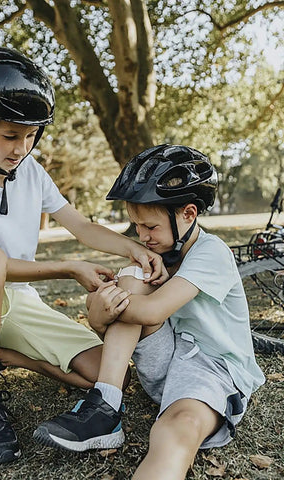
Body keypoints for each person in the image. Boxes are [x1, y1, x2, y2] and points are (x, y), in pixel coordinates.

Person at [0, 46, 166, 466]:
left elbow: (80, 225)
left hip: (19, 305)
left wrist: (132, 247)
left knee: (111, 372)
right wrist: (69, 266)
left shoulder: (32, 171)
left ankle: (1, 356)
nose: (22, 148)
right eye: (10, 135)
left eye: (31, 135)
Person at [33, 144, 265, 480]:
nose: (142, 236)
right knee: (133, 276)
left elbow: (153, 309)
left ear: (188, 213)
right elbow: (126, 320)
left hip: (213, 370)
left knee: (176, 430)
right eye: (136, 226)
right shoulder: (156, 255)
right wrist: (100, 310)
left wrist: (98, 306)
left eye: (151, 227)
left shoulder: (211, 251)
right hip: (167, 360)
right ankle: (106, 405)